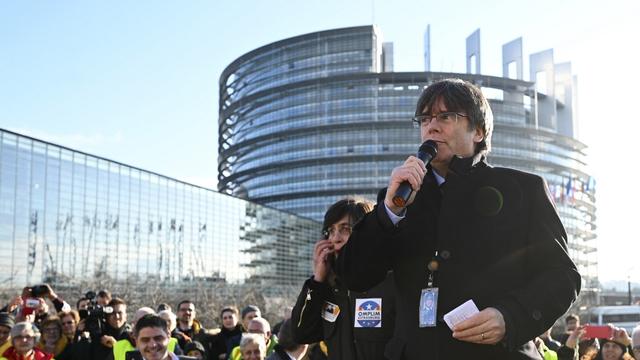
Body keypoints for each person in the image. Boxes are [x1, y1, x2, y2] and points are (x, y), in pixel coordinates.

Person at [335, 78, 581, 360]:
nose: (432, 126)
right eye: (425, 118)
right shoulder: (400, 198)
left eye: (446, 116)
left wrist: (510, 317)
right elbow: (354, 275)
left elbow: (562, 276)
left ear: (478, 131)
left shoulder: (524, 190)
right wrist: (388, 212)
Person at [291, 197, 396, 360]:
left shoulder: (390, 281)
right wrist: (317, 280)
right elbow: (301, 333)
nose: (335, 238)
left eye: (345, 229)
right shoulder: (327, 288)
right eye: (331, 231)